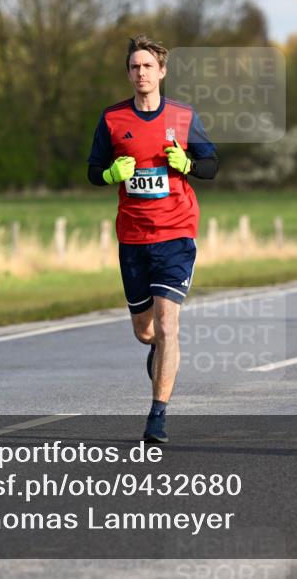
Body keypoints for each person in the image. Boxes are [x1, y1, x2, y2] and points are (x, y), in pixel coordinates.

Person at [87, 35, 219, 443]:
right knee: (146, 332)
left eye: (147, 66)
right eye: (134, 67)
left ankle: (158, 415)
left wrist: (189, 163)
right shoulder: (112, 120)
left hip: (176, 232)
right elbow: (93, 170)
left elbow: (212, 163)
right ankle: (158, 352)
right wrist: (111, 175)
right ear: (128, 73)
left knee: (167, 325)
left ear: (161, 71)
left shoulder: (182, 116)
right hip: (133, 236)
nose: (141, 73)